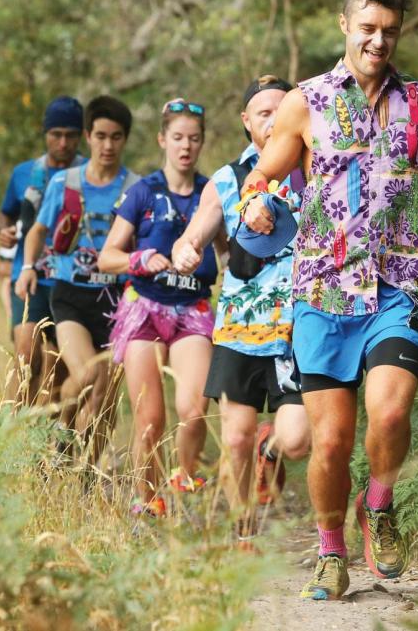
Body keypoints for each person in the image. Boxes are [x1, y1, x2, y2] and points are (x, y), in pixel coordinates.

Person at [240, 0, 418, 600]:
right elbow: (262, 177)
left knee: (391, 410)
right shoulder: (304, 102)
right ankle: (331, 551)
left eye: (389, 31)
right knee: (331, 441)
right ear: (345, 26)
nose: (378, 42)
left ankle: (381, 506)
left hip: (401, 280)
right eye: (367, 28)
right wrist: (254, 206)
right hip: (325, 291)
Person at [172, 75, 310, 544]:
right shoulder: (228, 181)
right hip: (238, 330)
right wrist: (186, 251)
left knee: (297, 441)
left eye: (281, 110)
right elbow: (190, 237)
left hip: (299, 330)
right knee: (233, 441)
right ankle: (244, 534)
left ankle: (268, 449)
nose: (273, 121)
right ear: (246, 121)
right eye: (263, 112)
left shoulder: (315, 170)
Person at [97, 98, 222, 518]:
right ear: (162, 140)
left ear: (202, 143)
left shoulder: (212, 193)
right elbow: (107, 256)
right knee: (149, 420)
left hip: (193, 311)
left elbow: (231, 251)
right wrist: (139, 259)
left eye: (194, 139)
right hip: (145, 309)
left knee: (192, 409)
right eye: (178, 138)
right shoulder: (143, 191)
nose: (186, 146)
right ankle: (146, 504)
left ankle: (183, 482)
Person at [18, 96, 139, 463]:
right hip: (70, 295)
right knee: (88, 374)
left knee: (105, 396)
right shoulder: (65, 183)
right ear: (88, 136)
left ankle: (83, 473)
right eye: (100, 136)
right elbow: (37, 231)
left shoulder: (135, 187)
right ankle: (57, 427)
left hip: (115, 300)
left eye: (116, 137)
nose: (107, 145)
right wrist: (28, 267)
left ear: (124, 140)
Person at [0, 96, 86, 405]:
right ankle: (15, 433)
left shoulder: (89, 173)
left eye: (71, 135)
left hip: (70, 282)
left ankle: (46, 443)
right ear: (45, 133)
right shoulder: (24, 173)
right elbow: (6, 211)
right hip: (29, 278)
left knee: (58, 376)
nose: (63, 142)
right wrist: (4, 231)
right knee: (26, 359)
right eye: (56, 134)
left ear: (81, 136)